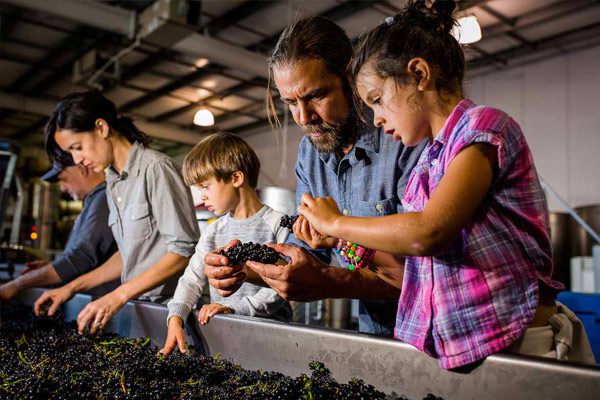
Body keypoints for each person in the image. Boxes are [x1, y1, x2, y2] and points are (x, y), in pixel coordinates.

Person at [295, 0, 595, 368]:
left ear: (419, 74)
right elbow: (411, 266)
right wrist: (341, 239)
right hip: (463, 349)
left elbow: (428, 233)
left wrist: (336, 222)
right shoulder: (426, 168)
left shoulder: (483, 128)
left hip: (521, 346)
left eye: (377, 101)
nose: (375, 120)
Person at [204, 15, 428, 336]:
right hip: (377, 333)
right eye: (290, 102)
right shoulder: (310, 154)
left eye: (316, 96)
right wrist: (246, 268)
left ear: (349, 77)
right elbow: (308, 250)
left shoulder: (402, 136)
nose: (303, 117)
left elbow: (424, 273)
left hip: (432, 330)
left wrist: (329, 279)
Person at [34, 91, 199, 336]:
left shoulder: (156, 169)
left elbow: (182, 251)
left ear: (101, 127)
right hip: (140, 308)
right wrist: (70, 288)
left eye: (77, 148)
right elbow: (127, 253)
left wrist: (117, 296)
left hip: (171, 313)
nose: (78, 160)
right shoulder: (114, 182)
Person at [161, 133, 291, 355]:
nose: (202, 198)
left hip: (274, 340)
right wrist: (176, 315)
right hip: (227, 335)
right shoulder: (214, 231)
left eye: (206, 186)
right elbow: (192, 278)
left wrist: (234, 308)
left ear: (236, 178)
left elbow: (282, 284)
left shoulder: (278, 224)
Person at [0, 154, 117, 301]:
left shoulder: (104, 200)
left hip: (100, 304)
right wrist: (49, 269)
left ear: (82, 169)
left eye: (64, 179)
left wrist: (16, 284)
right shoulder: (94, 201)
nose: (62, 188)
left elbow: (80, 258)